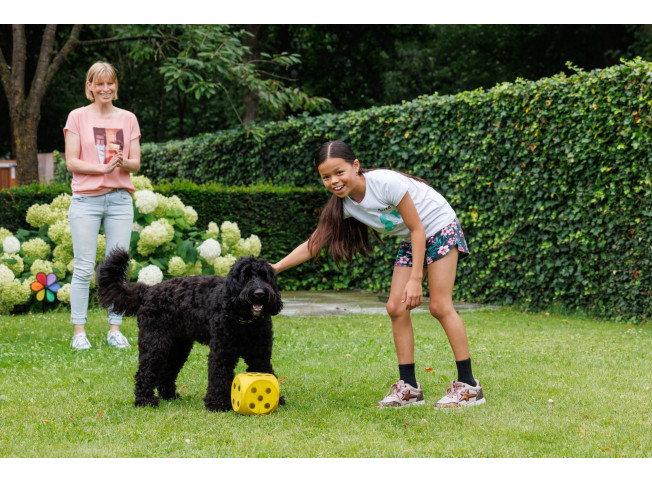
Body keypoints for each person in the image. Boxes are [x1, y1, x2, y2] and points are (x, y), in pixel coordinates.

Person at [271, 140, 485, 409]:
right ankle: (408, 388)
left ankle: (469, 386)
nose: (334, 181)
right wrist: (276, 267)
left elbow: (418, 229)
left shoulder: (384, 183)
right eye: (326, 177)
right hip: (413, 238)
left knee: (440, 306)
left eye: (339, 172)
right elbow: (313, 244)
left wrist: (416, 279)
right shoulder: (343, 205)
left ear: (355, 165)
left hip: (439, 226)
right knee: (396, 307)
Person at [63, 61, 141, 350]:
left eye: (110, 83)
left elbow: (135, 163)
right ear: (90, 87)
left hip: (120, 200)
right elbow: (71, 161)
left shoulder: (128, 119)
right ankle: (79, 332)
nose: (105, 88)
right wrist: (103, 169)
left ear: (115, 87)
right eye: (99, 83)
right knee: (84, 267)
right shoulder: (77, 117)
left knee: (116, 267)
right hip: (86, 200)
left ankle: (114, 329)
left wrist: (121, 163)